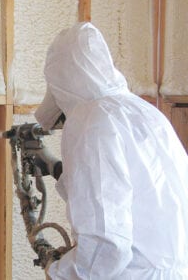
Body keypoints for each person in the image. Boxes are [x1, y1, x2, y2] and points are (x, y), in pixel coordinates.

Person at [34, 22, 188, 279]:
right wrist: (54, 167)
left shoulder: (90, 120)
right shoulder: (140, 110)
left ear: (62, 81)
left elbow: (106, 243)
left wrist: (60, 272)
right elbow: (123, 192)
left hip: (135, 273)